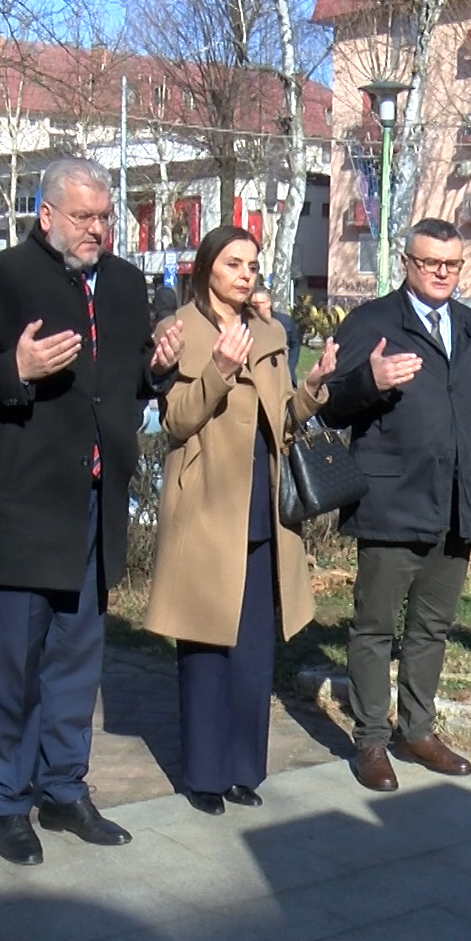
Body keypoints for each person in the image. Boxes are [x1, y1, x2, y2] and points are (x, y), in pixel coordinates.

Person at [0, 156, 185, 865]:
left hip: (95, 504)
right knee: (14, 666)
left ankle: (64, 788)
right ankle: (10, 801)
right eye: (84, 217)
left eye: (106, 217)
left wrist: (157, 365)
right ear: (45, 215)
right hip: (21, 508)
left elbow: (128, 376)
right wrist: (15, 370)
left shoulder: (127, 282)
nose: (99, 230)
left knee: (77, 662)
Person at [321, 218, 471, 792]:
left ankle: (416, 729)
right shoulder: (372, 324)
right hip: (392, 502)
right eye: (430, 263)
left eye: (452, 264)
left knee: (431, 628)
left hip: (457, 503)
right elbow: (330, 407)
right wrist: (369, 380)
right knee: (374, 629)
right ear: (406, 263)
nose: (442, 273)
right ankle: (370, 739)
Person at [145, 228, 336, 815]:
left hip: (264, 506)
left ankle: (241, 769)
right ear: (207, 269)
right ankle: (204, 774)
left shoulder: (272, 332)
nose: (246, 273)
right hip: (207, 505)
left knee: (253, 650)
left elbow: (281, 422)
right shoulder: (180, 329)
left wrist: (311, 390)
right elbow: (175, 422)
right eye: (234, 263)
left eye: (252, 264)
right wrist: (220, 370)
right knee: (205, 647)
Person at [250, 286, 303, 375]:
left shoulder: (285, 322)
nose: (257, 306)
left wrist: (289, 367)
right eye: (254, 303)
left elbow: (295, 345)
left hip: (284, 373)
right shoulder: (248, 323)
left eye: (260, 303)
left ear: (268, 303)